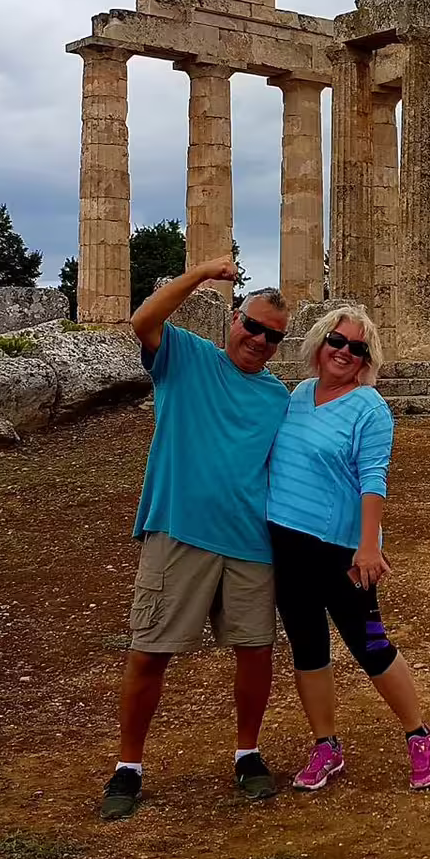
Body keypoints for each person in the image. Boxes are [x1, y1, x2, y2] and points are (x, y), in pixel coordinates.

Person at [99, 260, 292, 821]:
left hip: (251, 542)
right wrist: (203, 272)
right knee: (149, 650)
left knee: (255, 652)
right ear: (234, 320)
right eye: (252, 326)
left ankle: (248, 754)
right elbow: (143, 321)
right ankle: (128, 766)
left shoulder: (278, 397)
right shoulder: (186, 357)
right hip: (179, 529)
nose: (259, 340)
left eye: (273, 336)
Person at [266, 303, 430, 791]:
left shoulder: (370, 407)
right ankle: (326, 745)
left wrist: (369, 546)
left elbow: (373, 479)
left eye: (357, 348)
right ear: (320, 343)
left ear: (367, 359)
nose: (344, 352)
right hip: (288, 543)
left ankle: (419, 734)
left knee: (371, 645)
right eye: (337, 341)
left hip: (342, 549)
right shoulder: (299, 394)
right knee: (308, 648)